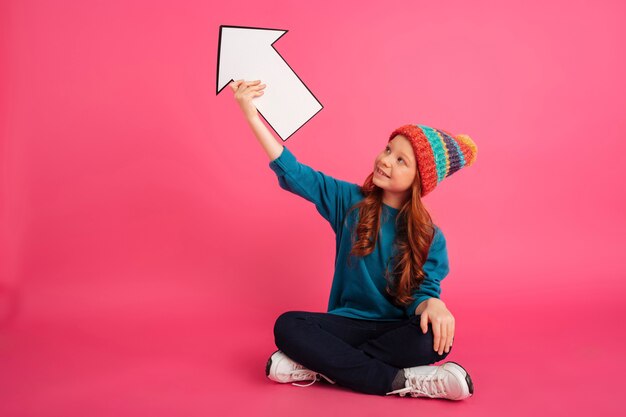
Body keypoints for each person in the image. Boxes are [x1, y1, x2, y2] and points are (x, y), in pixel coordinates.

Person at [229, 79, 478, 400]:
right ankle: (400, 381)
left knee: (432, 339)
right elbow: (295, 172)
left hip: (394, 330)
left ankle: (319, 366)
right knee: (288, 325)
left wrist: (435, 304)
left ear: (419, 179)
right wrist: (251, 115)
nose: (386, 160)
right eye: (389, 149)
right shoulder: (350, 203)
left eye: (401, 160)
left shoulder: (431, 237)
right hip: (344, 325)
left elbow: (424, 294)